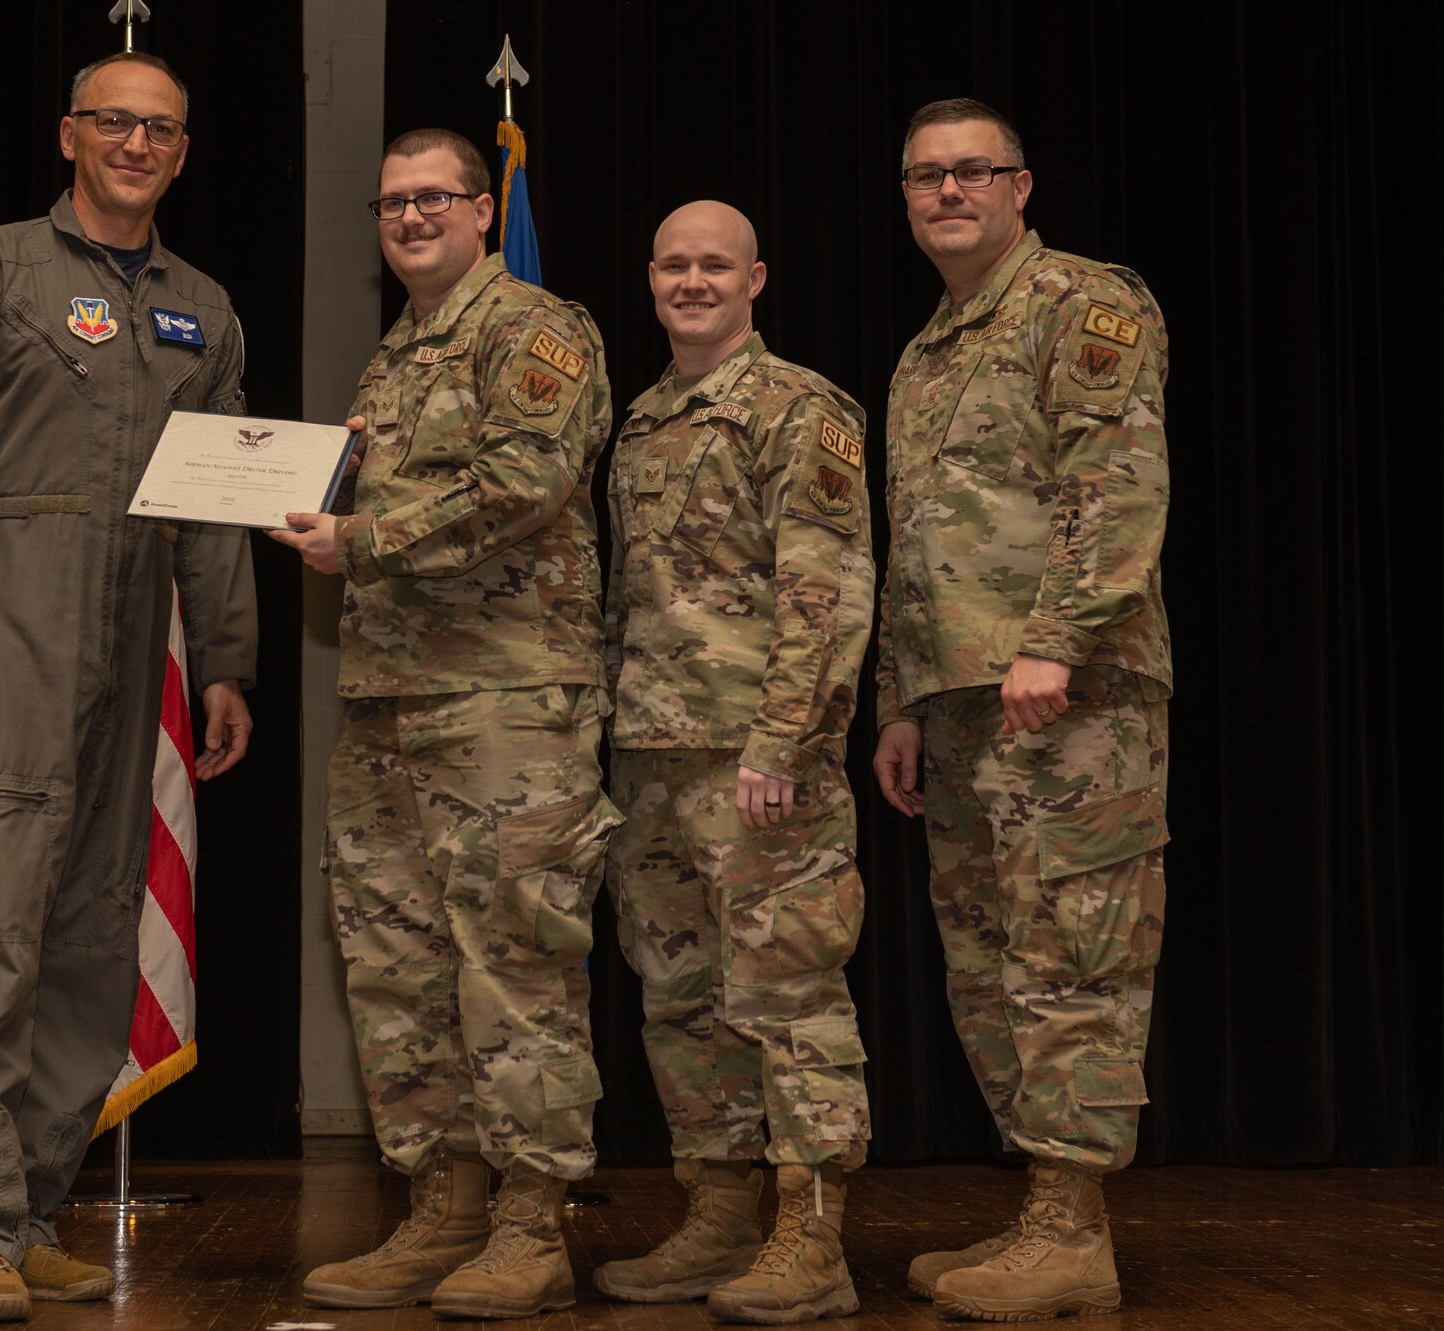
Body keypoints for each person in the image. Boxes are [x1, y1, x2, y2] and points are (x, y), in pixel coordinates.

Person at [0, 51, 256, 1322]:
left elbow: (213, 511)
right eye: (114, 121)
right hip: (6, 647)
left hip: (131, 671)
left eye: (160, 127)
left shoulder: (203, 309)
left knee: (95, 943)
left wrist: (225, 664)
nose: (136, 142)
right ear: (68, 135)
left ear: (182, 149)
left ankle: (32, 1205)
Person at [268, 127, 620, 1321]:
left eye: (435, 199)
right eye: (393, 202)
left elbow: (525, 484)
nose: (411, 217)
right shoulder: (394, 358)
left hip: (509, 704)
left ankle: (529, 1224)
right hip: (388, 701)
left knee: (514, 962)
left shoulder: (535, 328)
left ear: (484, 209)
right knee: (396, 964)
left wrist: (354, 537)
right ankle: (443, 1208)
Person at [871, 98, 1171, 1322]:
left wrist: (1053, 640)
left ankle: (1071, 1230)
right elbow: (913, 550)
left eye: (971, 173)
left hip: (1070, 696)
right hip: (957, 705)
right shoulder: (925, 349)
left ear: (1020, 187)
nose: (946, 193)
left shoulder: (1083, 304)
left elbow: (1116, 479)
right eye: (923, 177)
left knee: (1072, 952)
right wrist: (896, 698)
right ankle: (1048, 1214)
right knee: (988, 966)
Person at [590, 201, 875, 1325]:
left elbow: (826, 586)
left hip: (757, 758)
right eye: (673, 264)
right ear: (650, 276)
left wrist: (785, 744)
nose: (692, 281)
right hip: (651, 757)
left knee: (787, 992)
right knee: (679, 997)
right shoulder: (644, 417)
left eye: (715, 265)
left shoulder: (798, 408)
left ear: (755, 278)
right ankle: (715, 1214)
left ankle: (811, 1235)